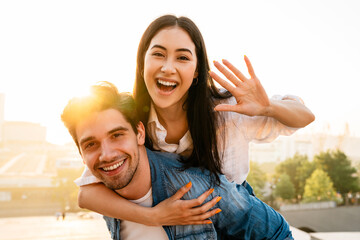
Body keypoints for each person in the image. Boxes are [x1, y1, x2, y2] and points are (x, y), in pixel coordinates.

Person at [76, 14, 315, 225]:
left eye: (182, 58)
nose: (168, 68)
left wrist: (268, 108)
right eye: (158, 54)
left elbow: (305, 116)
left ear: (197, 71)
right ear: (142, 64)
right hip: (178, 227)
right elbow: (86, 193)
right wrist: (154, 216)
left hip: (237, 218)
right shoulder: (128, 119)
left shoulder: (229, 111)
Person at [61, 82, 293, 240]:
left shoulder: (199, 190)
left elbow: (276, 232)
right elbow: (84, 196)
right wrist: (153, 217)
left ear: (140, 133)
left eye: (117, 135)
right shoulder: (108, 189)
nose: (107, 154)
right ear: (81, 153)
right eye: (91, 144)